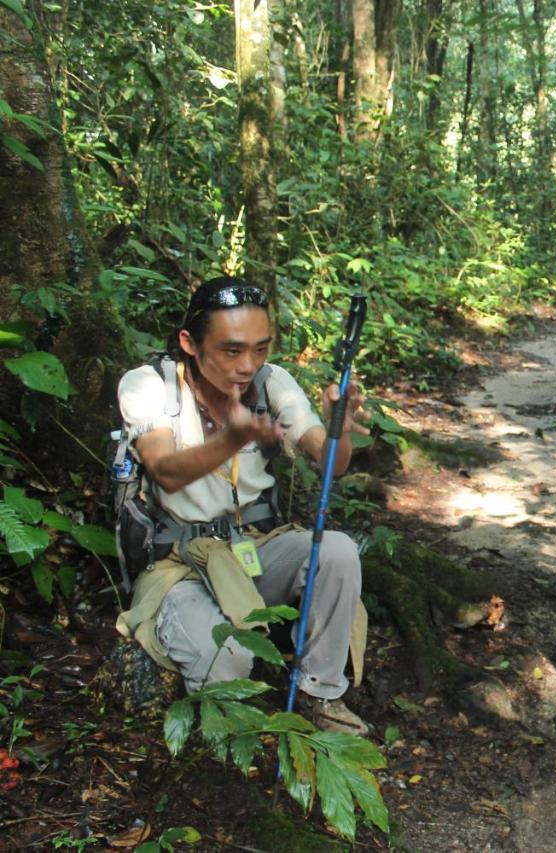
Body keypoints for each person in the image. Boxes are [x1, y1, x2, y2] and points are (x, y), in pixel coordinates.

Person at [114, 276, 372, 736]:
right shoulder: (149, 385)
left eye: (260, 349)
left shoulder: (273, 383)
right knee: (229, 658)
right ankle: (231, 739)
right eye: (231, 351)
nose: (247, 365)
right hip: (180, 565)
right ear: (189, 342)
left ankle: (320, 695)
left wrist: (341, 427)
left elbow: (330, 463)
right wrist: (233, 439)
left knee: (336, 553)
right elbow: (166, 470)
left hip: (254, 546)